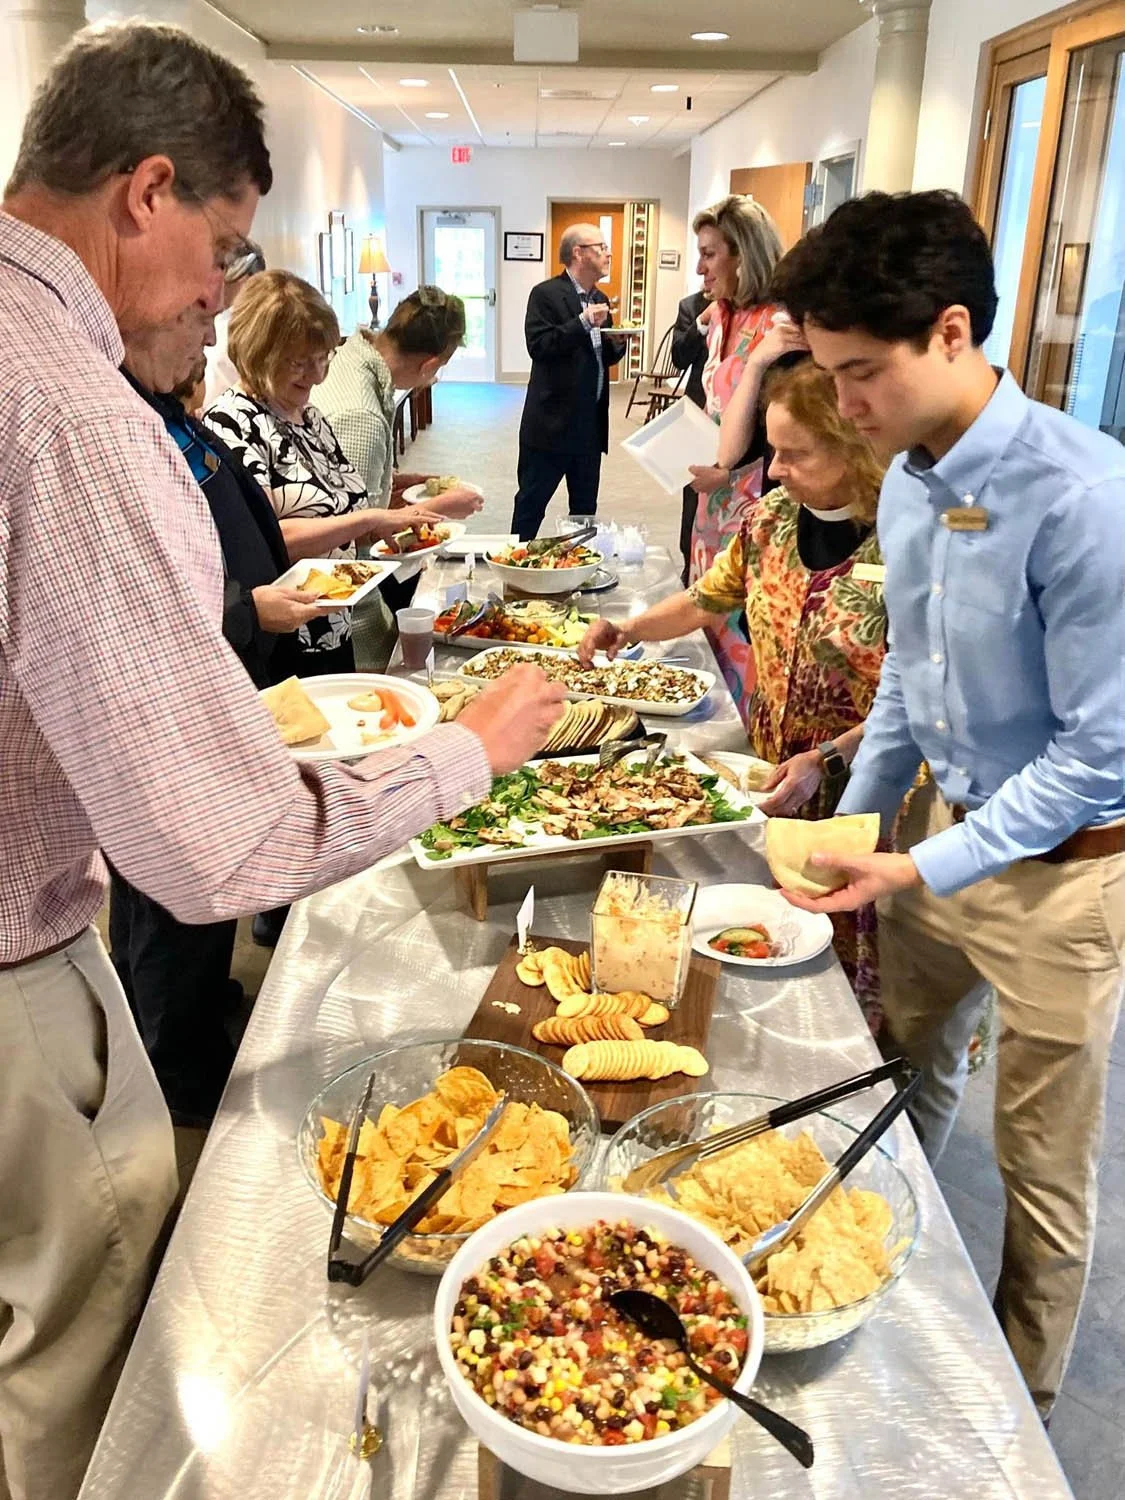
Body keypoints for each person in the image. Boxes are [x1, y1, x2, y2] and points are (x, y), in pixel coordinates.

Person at [0, 24, 565, 1500]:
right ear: (147, 190)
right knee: (71, 1356)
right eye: (226, 249)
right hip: (15, 973)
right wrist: (468, 747)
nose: (218, 293)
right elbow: (213, 853)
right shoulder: (64, 408)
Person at [770, 189, 1125, 1420]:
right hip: (932, 845)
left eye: (861, 373)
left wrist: (925, 864)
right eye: (829, 372)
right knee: (900, 1072)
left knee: (1042, 1169)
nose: (846, 406)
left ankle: (1016, 1417)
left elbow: (1102, 755)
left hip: (1064, 880)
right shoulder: (911, 479)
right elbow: (916, 690)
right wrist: (859, 839)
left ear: (955, 332)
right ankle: (881, 1299)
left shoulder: (1084, 497)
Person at [578, 359, 889, 1023]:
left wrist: (829, 758)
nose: (772, 469)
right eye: (771, 450)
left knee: (858, 964)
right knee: (767, 942)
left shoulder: (905, 543)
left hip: (864, 794)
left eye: (792, 454)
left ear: (854, 448)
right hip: (773, 773)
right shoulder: (770, 518)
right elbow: (704, 601)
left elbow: (921, 696)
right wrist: (626, 627)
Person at [110, 293, 329, 1127]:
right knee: (170, 891)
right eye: (194, 313)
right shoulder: (118, 423)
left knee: (192, 898)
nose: (209, 334)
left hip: (226, 669)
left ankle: (196, 1013)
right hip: (178, 692)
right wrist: (247, 609)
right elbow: (138, 599)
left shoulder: (165, 408)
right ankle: (177, 1071)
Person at [203, 269, 449, 675]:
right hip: (286, 634)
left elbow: (339, 507)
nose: (317, 376)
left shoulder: (308, 416)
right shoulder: (232, 425)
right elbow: (266, 539)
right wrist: (367, 518)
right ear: (257, 350)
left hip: (334, 620)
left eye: (323, 358)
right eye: (300, 363)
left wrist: (398, 517)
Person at [681, 196, 794, 717]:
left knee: (742, 621)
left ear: (743, 256)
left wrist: (724, 465)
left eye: (709, 254)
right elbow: (715, 399)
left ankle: (742, 741)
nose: (700, 267)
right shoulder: (722, 314)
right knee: (704, 607)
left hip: (756, 494)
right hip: (714, 492)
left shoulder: (780, 327)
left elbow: (766, 426)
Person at [314, 284, 484, 519]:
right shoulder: (362, 417)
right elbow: (353, 532)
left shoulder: (348, 355)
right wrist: (439, 507)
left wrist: (385, 483)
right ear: (429, 366)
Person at [511, 223, 626, 539]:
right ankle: (516, 575)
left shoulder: (600, 297)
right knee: (531, 506)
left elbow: (598, 358)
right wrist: (581, 322)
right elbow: (540, 346)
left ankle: (579, 573)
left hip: (589, 428)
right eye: (601, 247)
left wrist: (618, 343)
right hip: (550, 427)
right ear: (579, 253)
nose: (608, 253)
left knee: (585, 512)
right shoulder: (546, 294)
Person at [669, 288, 709, 581]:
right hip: (699, 411)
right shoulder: (691, 305)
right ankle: (688, 566)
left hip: (743, 413)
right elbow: (680, 358)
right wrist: (702, 324)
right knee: (693, 491)